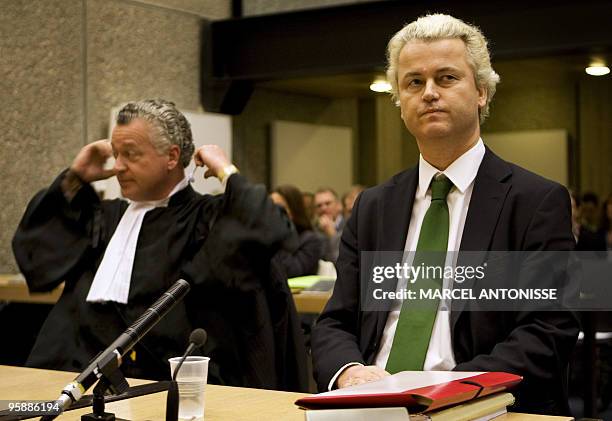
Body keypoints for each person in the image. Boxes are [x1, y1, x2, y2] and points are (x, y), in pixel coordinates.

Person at [311, 14, 578, 415]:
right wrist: (349, 372)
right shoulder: (374, 206)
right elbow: (335, 322)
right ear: (400, 100)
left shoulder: (536, 202)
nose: (429, 93)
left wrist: (445, 388)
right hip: (370, 405)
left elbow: (547, 332)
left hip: (474, 405)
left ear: (482, 92)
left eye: (447, 78)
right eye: (414, 82)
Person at [12, 99, 308, 391]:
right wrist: (74, 179)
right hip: (76, 379)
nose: (118, 167)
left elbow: (270, 226)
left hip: (166, 384)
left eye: (130, 154)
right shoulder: (104, 217)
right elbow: (36, 257)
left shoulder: (206, 219)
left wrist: (225, 169)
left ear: (171, 156)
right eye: (115, 154)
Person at [271, 185, 324, 278]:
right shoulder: (262, 237)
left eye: (279, 208)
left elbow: (292, 271)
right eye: (270, 207)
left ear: (294, 210)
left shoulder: (310, 240)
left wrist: (277, 238)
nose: (273, 212)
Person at [314, 187, 344, 262]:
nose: (323, 208)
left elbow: (344, 260)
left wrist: (332, 234)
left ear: (339, 205)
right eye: (319, 205)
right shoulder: (313, 230)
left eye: (328, 203)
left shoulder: (350, 226)